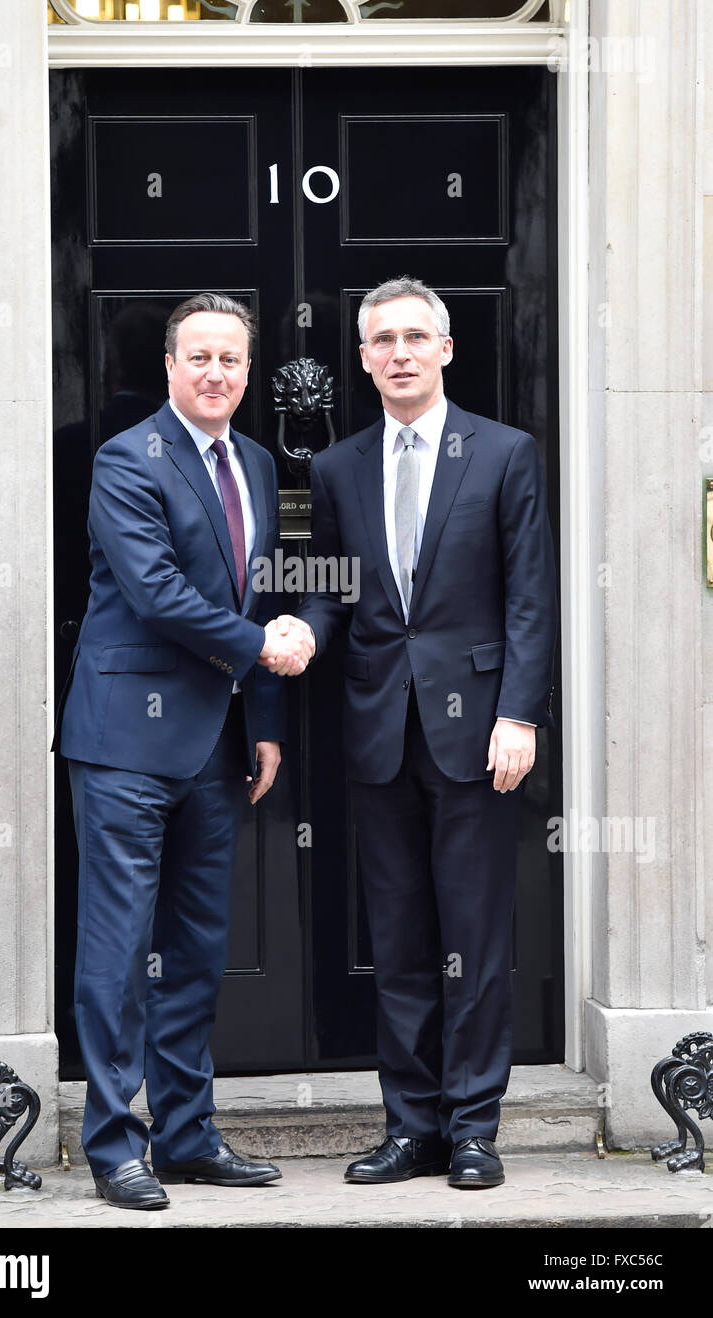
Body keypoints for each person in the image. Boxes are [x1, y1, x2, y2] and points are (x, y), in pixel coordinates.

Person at [280, 275, 558, 1188]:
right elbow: (329, 589)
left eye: (413, 337)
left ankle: (473, 1127)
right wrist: (298, 634)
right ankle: (412, 1128)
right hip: (376, 731)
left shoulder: (505, 454)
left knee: (472, 938)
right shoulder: (337, 467)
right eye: (381, 340)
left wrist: (518, 713)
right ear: (361, 359)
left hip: (479, 733)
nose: (398, 352)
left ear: (444, 349)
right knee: (397, 938)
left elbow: (528, 600)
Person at [52, 292, 313, 1209]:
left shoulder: (253, 461)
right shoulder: (128, 460)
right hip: (126, 742)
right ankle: (115, 1145)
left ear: (248, 374)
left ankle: (189, 1135)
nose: (214, 373)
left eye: (230, 360)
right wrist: (261, 649)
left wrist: (269, 715)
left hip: (220, 743)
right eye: (197, 357)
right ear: (169, 367)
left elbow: (269, 594)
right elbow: (158, 594)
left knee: (197, 949)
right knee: (119, 952)